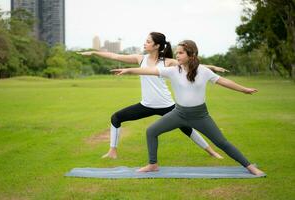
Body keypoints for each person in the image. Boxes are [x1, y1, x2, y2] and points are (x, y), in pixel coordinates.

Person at [111, 39, 265, 176]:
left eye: (181, 53)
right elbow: (149, 70)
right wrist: (129, 70)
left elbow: (223, 81)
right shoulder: (172, 71)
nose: (177, 55)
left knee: (222, 143)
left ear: (191, 54)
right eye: (177, 52)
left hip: (200, 116)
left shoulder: (203, 71)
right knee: (151, 131)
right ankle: (153, 165)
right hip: (178, 113)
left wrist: (244, 89)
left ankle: (250, 167)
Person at [78, 32, 226, 159]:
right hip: (146, 105)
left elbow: (192, 64)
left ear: (156, 45)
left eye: (148, 41)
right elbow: (114, 55)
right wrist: (94, 52)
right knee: (116, 118)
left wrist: (213, 68)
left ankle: (212, 152)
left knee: (188, 128)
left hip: (167, 106)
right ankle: (112, 151)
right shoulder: (140, 59)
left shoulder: (168, 62)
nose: (145, 43)